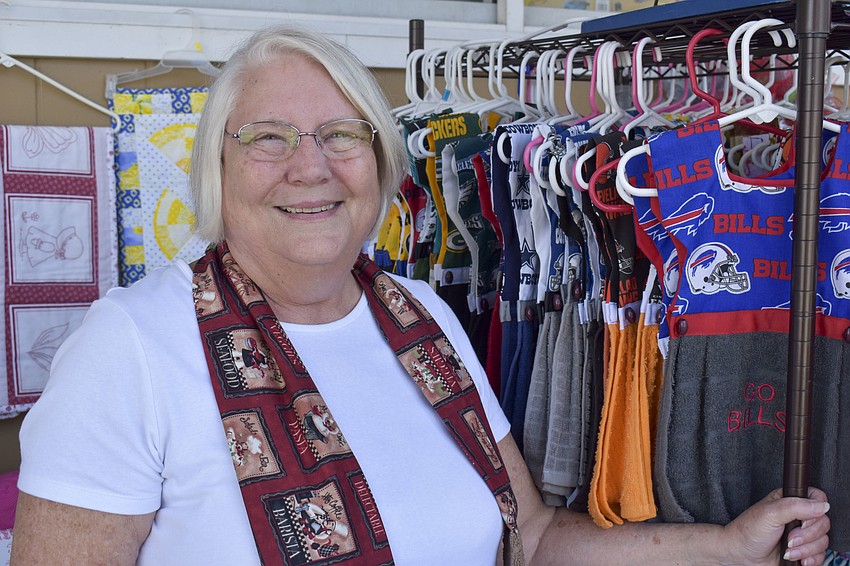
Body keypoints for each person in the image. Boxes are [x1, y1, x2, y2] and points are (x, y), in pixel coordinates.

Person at [11, 24, 831, 566]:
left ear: (381, 166)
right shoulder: (130, 348)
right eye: (267, 138)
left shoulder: (417, 317)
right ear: (217, 172)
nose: (311, 166)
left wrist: (725, 546)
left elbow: (535, 537)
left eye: (343, 135)